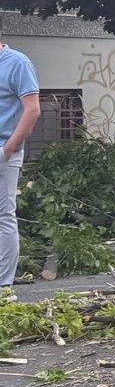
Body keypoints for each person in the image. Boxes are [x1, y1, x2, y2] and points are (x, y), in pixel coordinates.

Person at [0, 37, 39, 287]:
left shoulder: (17, 62)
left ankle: (3, 286)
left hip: (4, 149)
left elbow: (32, 108)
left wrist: (8, 149)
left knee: (3, 215)